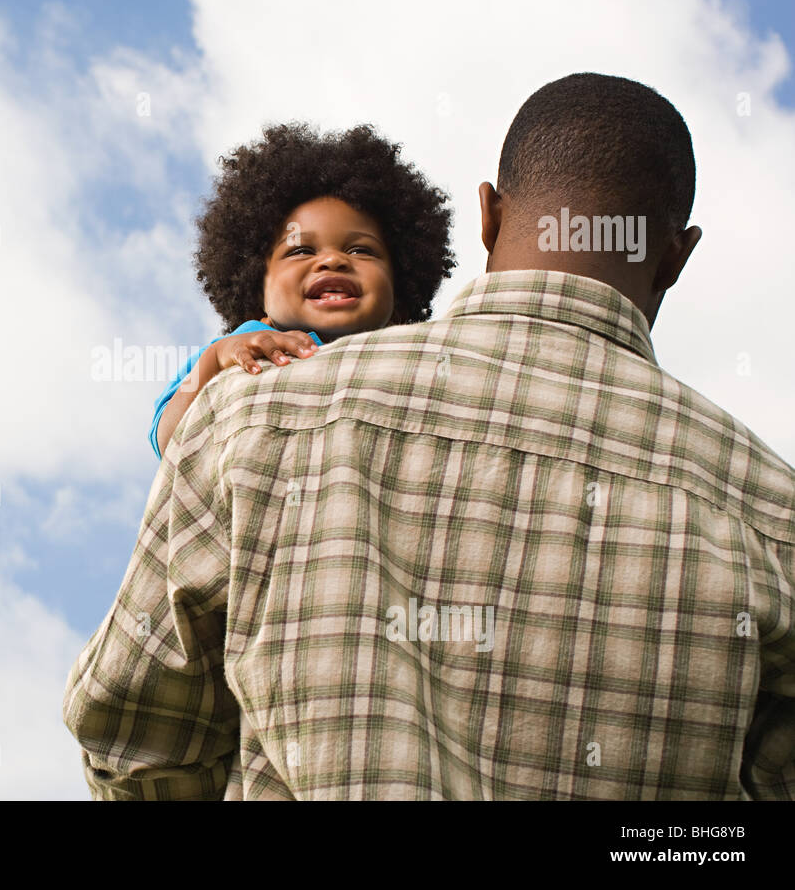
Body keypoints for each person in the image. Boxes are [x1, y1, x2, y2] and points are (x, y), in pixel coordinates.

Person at [61, 72, 795, 799]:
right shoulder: (773, 514)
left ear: (488, 216)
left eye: (361, 250)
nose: (332, 263)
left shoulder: (258, 414)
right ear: (676, 255)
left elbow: (131, 732)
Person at [149, 120, 457, 459]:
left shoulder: (412, 357)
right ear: (257, 293)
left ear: (398, 298)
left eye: (361, 250)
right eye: (300, 250)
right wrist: (216, 359)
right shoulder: (243, 344)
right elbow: (169, 441)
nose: (333, 260)